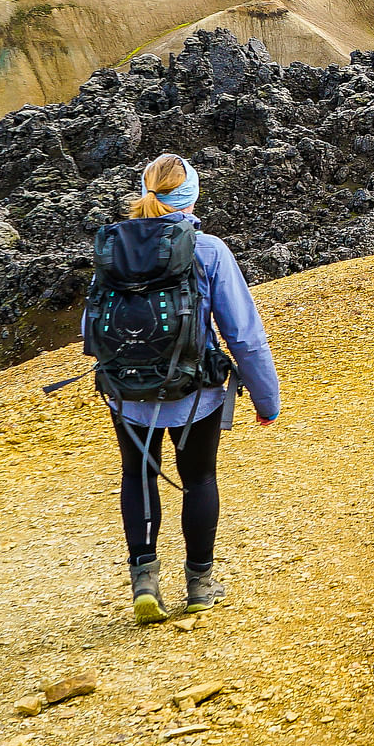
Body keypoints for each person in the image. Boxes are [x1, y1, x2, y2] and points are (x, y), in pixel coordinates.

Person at [92, 154, 280, 623]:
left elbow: (90, 323)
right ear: (192, 195)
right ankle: (199, 583)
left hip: (126, 392)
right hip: (195, 391)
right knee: (199, 478)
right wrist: (266, 399)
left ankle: (144, 580)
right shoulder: (208, 248)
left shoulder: (114, 245)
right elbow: (243, 334)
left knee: (137, 474)